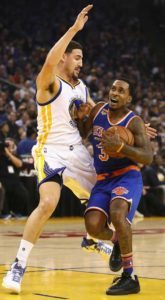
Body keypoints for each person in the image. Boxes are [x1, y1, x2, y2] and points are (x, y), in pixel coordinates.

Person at [2, 4, 156, 294]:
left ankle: (95, 239)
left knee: (102, 204)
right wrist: (73, 29)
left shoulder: (82, 88)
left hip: (79, 153)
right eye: (76, 57)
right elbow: (49, 62)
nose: (81, 62)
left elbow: (100, 115)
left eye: (82, 58)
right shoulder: (48, 83)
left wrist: (134, 127)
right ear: (63, 58)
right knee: (47, 203)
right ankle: (18, 266)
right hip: (50, 150)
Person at [75, 78, 153, 295]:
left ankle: (129, 276)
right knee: (92, 226)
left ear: (128, 99)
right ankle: (117, 240)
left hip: (127, 176)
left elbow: (148, 157)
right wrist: (81, 119)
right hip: (103, 178)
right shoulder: (98, 110)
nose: (115, 93)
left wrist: (123, 147)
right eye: (113, 88)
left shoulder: (134, 121)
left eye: (121, 91)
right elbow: (83, 134)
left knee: (118, 214)